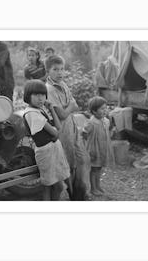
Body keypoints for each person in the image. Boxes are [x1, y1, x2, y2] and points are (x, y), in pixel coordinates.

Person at [45, 55, 90, 201]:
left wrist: (69, 107)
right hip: (62, 131)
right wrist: (69, 106)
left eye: (62, 69)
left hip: (72, 128)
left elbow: (75, 105)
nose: (60, 72)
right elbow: (63, 114)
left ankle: (80, 190)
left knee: (81, 159)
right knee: (68, 164)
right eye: (55, 69)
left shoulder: (63, 84)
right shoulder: (49, 89)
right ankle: (74, 196)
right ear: (48, 71)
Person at [23, 79, 70, 200]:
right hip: (46, 152)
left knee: (53, 185)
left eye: (43, 95)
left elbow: (58, 127)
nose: (41, 99)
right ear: (28, 96)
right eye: (36, 95)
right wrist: (55, 134)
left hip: (53, 150)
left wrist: (51, 108)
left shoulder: (39, 110)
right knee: (50, 186)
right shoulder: (32, 113)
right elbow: (56, 132)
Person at [83, 96, 115, 196]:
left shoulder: (106, 121)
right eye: (102, 109)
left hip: (103, 149)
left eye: (106, 108)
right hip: (94, 150)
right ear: (94, 111)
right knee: (94, 169)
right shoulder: (91, 122)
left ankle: (98, 185)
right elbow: (84, 133)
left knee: (99, 168)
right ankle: (93, 188)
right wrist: (89, 146)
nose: (105, 110)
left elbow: (107, 132)